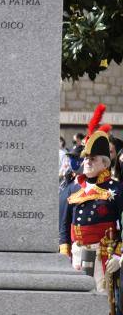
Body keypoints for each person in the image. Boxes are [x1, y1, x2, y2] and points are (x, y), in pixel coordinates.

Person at [60, 123, 123, 293]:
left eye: (93, 158)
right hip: (77, 254)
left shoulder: (116, 189)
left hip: (103, 255)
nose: (87, 161)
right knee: (77, 303)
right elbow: (64, 224)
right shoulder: (73, 187)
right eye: (86, 157)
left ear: (104, 163)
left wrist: (119, 255)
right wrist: (64, 251)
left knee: (101, 302)